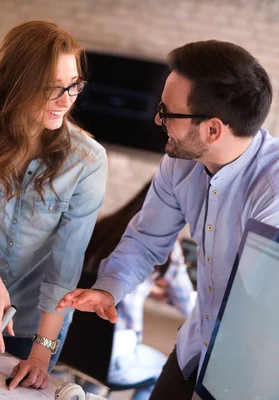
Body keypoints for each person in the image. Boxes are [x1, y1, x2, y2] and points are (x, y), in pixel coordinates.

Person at [56, 39, 278, 399]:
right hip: (194, 344)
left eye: (167, 113)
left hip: (248, 365)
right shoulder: (179, 163)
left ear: (212, 130)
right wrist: (108, 289)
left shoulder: (273, 190)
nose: (157, 120)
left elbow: (257, 308)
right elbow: (146, 240)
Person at [0, 21, 108, 390]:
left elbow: (65, 266)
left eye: (73, 86)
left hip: (38, 324)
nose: (66, 100)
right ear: (17, 82)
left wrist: (40, 354)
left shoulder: (87, 161)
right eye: (52, 88)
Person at [83, 181, 195, 400]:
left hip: (77, 345)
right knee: (165, 373)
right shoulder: (170, 250)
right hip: (113, 357)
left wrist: (148, 289)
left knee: (93, 373)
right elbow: (188, 306)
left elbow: (105, 275)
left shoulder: (103, 226)